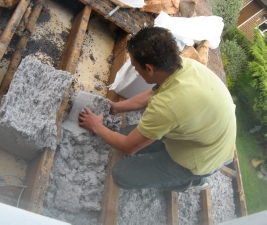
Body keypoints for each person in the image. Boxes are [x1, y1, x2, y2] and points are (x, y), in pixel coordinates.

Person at [78, 27, 236, 192]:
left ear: (149, 68)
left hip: (204, 159)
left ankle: (191, 181)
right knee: (123, 134)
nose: (135, 70)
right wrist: (117, 107)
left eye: (134, 66)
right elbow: (152, 94)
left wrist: (96, 126)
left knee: (121, 174)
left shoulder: (167, 106)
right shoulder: (184, 66)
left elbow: (128, 148)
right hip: (204, 133)